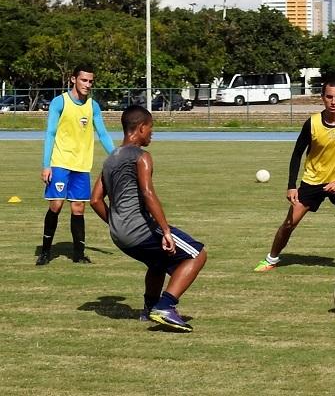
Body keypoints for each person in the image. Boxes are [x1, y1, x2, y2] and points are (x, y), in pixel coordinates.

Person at [90, 106, 207, 332]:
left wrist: (116, 223)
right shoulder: (142, 157)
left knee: (157, 262)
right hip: (140, 230)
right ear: (141, 127)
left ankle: (150, 308)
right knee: (197, 254)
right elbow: (147, 193)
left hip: (118, 236)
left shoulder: (110, 159)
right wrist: (165, 231)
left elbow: (95, 200)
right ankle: (165, 306)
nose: (152, 133)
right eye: (151, 128)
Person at [254, 79, 335, 276]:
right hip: (312, 181)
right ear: (322, 98)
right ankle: (271, 259)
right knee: (289, 223)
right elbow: (297, 154)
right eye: (329, 97)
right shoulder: (312, 123)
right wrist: (292, 185)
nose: (333, 101)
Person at [37, 64, 115, 265]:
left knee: (78, 208)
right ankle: (45, 252)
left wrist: (117, 156)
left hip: (81, 165)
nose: (87, 84)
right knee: (56, 204)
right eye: (84, 80)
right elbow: (50, 133)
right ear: (73, 79)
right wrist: (46, 165)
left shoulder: (93, 106)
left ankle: (79, 255)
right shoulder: (59, 102)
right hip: (60, 162)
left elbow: (103, 134)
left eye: (90, 81)